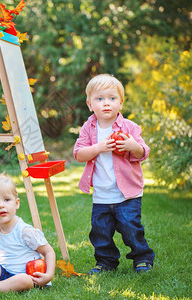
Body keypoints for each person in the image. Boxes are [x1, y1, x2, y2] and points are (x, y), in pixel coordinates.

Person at [73, 74, 155, 274]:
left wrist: (131, 145)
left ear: (121, 103)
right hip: (101, 194)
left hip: (127, 193)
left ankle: (142, 258)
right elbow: (79, 154)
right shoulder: (88, 128)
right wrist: (99, 146)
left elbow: (143, 152)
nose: (106, 103)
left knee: (131, 228)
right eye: (99, 99)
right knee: (100, 232)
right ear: (90, 104)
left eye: (112, 98)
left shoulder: (129, 128)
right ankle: (106, 262)